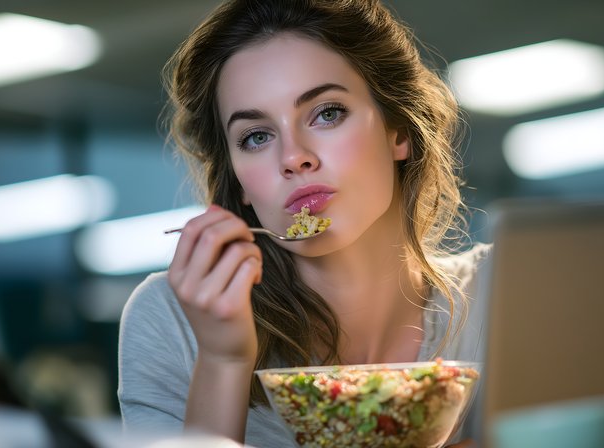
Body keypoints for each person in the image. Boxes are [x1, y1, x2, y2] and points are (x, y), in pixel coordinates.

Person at [118, 0, 490, 446]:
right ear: (239, 185)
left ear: (399, 132)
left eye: (327, 112)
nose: (293, 158)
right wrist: (222, 360)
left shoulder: (508, 291)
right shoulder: (173, 320)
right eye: (256, 137)